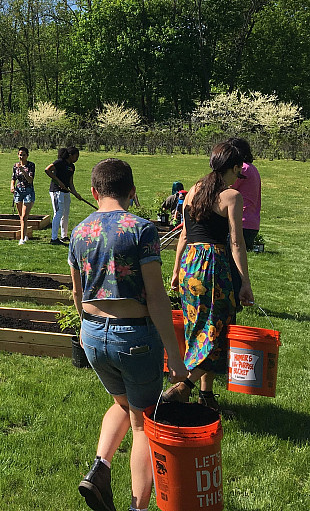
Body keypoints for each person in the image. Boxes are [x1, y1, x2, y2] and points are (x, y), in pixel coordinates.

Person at [70, 158, 189, 511]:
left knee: (123, 404)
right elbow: (155, 296)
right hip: (134, 338)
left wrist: (85, 329)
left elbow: (77, 292)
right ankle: (138, 508)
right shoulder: (141, 230)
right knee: (143, 423)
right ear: (132, 192)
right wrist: (175, 355)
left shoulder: (79, 232)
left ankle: (99, 469)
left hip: (92, 335)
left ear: (94, 192)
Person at [166, 141, 256, 416]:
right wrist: (245, 282)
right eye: (238, 171)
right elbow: (236, 243)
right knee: (219, 329)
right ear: (233, 168)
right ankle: (183, 386)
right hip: (213, 265)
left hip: (189, 264)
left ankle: (205, 396)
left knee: (198, 327)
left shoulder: (193, 191)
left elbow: (184, 234)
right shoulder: (231, 196)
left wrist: (175, 270)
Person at [226, 137, 261, 250]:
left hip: (240, 222)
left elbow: (226, 189)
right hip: (252, 223)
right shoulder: (252, 168)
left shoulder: (242, 169)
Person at [46, 147, 80, 245]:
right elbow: (47, 170)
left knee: (65, 213)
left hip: (66, 192)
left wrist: (75, 193)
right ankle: (54, 238)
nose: (77, 159)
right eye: (76, 156)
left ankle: (64, 236)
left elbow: (70, 182)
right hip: (56, 191)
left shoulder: (72, 167)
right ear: (70, 155)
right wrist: (58, 181)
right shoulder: (59, 162)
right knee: (58, 213)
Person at [11, 147, 36, 245]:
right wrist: (12, 186)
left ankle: (22, 239)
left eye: (24, 155)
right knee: (21, 216)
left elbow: (30, 180)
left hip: (28, 191)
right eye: (20, 155)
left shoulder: (31, 165)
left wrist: (23, 170)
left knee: (25, 216)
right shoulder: (15, 166)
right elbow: (13, 178)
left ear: (27, 155)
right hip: (18, 191)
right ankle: (24, 234)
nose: (21, 157)